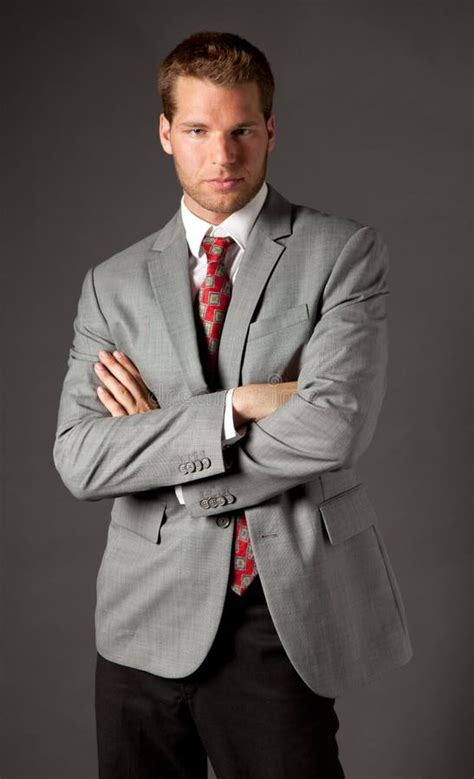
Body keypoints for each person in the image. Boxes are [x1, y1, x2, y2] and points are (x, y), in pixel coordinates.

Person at [53, 30, 413, 779]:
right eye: (198, 130)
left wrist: (170, 458)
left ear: (271, 129)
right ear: (165, 134)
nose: (223, 155)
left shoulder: (342, 253)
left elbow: (333, 425)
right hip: (140, 619)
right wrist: (236, 405)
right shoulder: (109, 285)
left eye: (242, 130)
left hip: (278, 612)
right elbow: (81, 457)